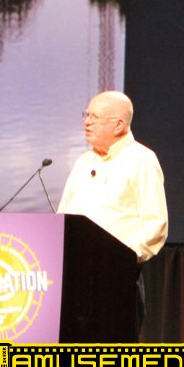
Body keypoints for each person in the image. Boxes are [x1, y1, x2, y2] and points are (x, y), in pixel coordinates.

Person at [58, 90, 168, 263]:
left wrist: (123, 256)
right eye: (86, 115)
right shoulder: (84, 162)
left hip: (117, 267)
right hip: (75, 266)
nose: (87, 122)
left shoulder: (142, 159)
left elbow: (155, 225)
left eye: (94, 117)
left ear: (118, 125)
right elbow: (63, 215)